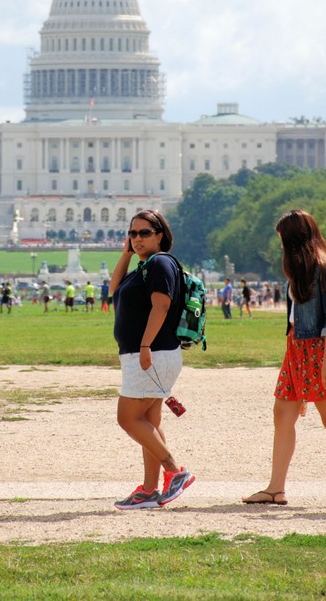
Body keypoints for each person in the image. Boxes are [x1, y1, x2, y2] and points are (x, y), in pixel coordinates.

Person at [242, 210, 326, 508]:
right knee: (283, 415)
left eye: (283, 241)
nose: (281, 247)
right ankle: (276, 488)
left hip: (320, 351)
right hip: (298, 350)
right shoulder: (299, 270)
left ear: (295, 241)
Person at [109, 209, 195, 511]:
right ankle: (148, 490)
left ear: (160, 235)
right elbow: (113, 291)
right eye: (132, 233)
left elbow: (161, 306)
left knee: (128, 419)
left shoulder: (159, 263)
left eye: (144, 233)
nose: (136, 239)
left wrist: (145, 345)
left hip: (150, 353)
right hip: (149, 354)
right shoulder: (145, 266)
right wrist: (126, 254)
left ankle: (176, 470)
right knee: (149, 423)